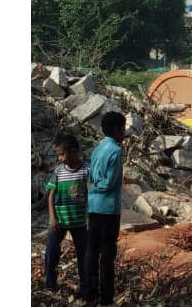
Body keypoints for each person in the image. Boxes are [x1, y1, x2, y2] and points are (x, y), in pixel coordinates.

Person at [86, 111, 126, 305]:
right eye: (123, 129)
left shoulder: (97, 149)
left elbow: (91, 175)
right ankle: (106, 298)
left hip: (93, 206)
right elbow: (109, 183)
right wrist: (97, 185)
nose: (125, 133)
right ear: (117, 130)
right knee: (107, 255)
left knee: (92, 252)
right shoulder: (116, 151)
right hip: (109, 209)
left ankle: (90, 294)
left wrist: (93, 185)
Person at [43, 132, 90, 296]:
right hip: (59, 222)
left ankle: (85, 288)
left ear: (74, 151)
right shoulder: (58, 171)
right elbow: (51, 196)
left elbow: (91, 192)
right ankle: (49, 286)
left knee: (84, 257)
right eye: (58, 155)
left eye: (62, 154)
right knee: (51, 253)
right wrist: (53, 219)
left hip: (79, 223)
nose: (60, 158)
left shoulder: (86, 170)